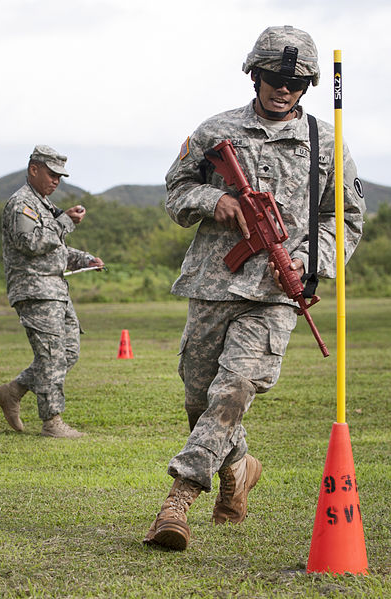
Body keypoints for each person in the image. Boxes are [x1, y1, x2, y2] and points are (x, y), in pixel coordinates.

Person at [144, 25, 365, 550]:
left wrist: (311, 263)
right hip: (212, 282)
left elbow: (348, 217)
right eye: (271, 77)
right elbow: (176, 193)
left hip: (275, 293)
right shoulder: (215, 130)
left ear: (307, 86)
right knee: (200, 400)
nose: (282, 88)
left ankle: (178, 500)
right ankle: (239, 465)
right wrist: (213, 201)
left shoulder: (326, 142)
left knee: (235, 388)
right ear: (254, 74)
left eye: (294, 81)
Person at [0, 145, 105, 438]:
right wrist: (65, 221)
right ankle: (52, 422)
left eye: (60, 176)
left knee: (67, 352)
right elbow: (30, 243)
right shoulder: (22, 204)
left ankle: (12, 391)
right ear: (34, 169)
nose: (56, 181)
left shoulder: (42, 204)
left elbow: (54, 249)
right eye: (52, 174)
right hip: (35, 289)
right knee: (53, 355)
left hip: (55, 288)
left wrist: (85, 259)